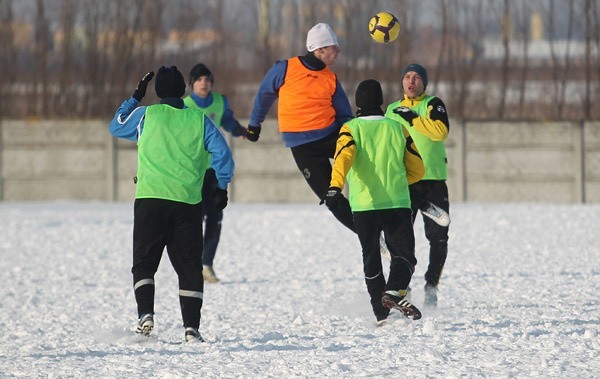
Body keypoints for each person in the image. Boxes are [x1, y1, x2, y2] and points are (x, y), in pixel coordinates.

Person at [108, 66, 234, 342]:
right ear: (184, 90)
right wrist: (222, 186)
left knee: (144, 263)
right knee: (190, 267)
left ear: (157, 92)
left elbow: (115, 125)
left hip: (150, 200)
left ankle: (145, 314)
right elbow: (222, 153)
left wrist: (135, 97)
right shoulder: (199, 119)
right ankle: (191, 328)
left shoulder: (146, 115)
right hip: (187, 204)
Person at [325, 79, 425, 324]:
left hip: (364, 205)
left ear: (357, 103)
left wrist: (335, 187)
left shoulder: (351, 129)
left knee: (371, 256)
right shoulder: (397, 127)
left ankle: (380, 312)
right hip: (397, 202)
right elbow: (418, 168)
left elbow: (343, 158)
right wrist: (402, 179)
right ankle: (393, 290)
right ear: (380, 101)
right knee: (404, 256)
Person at [246, 22, 355, 232]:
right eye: (334, 46)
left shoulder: (331, 78)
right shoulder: (285, 68)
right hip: (304, 148)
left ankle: (412, 197)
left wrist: (356, 138)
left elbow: (345, 116)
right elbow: (263, 95)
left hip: (331, 136)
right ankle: (371, 238)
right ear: (320, 49)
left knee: (366, 164)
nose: (338, 51)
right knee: (331, 199)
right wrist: (254, 125)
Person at [385, 63, 451, 307]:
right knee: (401, 238)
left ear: (424, 82)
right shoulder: (392, 109)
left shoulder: (432, 104)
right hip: (405, 181)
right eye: (407, 77)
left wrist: (413, 119)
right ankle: (402, 287)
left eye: (416, 77)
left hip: (432, 179)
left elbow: (440, 132)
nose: (411, 81)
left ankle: (431, 285)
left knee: (439, 237)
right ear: (402, 82)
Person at [184, 63, 246, 283]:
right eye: (200, 79)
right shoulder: (184, 105)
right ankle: (191, 264)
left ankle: (206, 265)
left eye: (208, 79)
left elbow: (227, 120)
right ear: (192, 84)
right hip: (192, 172)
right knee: (193, 219)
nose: (204, 83)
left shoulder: (220, 101)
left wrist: (239, 130)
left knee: (215, 217)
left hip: (215, 170)